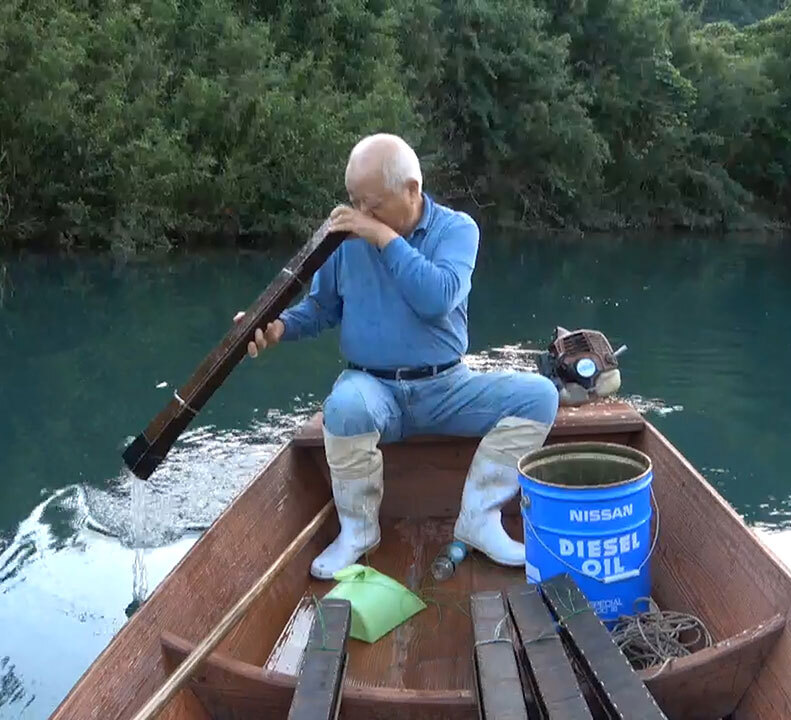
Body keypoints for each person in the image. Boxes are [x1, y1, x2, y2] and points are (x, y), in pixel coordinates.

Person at [234, 133, 559, 580]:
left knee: (540, 395)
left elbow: (436, 297)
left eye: (373, 204)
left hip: (448, 387)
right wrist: (279, 326)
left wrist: (383, 238)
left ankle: (481, 519)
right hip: (373, 387)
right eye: (354, 201)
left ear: (412, 190)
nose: (360, 214)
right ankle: (357, 531)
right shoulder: (344, 240)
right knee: (343, 406)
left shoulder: (457, 230)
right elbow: (321, 309)